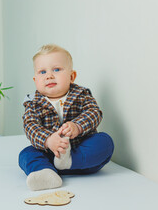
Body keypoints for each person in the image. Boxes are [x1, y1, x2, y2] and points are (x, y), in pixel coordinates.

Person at [19, 44, 114, 191]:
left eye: (56, 69)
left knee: (105, 142)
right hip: (50, 155)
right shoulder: (33, 103)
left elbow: (94, 112)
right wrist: (48, 140)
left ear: (71, 76)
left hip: (81, 154)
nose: (49, 75)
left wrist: (77, 126)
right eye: (42, 72)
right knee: (26, 154)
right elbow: (30, 126)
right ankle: (45, 173)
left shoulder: (81, 94)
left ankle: (69, 161)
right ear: (35, 80)